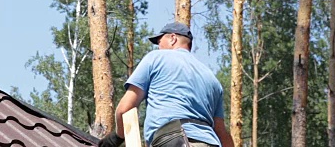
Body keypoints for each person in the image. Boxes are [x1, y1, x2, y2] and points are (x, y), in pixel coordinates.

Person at [98, 22, 234, 147]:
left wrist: (116, 138)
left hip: (173, 140)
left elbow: (125, 109)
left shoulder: (156, 58)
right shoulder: (212, 79)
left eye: (159, 41)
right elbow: (222, 133)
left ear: (173, 38)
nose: (158, 46)